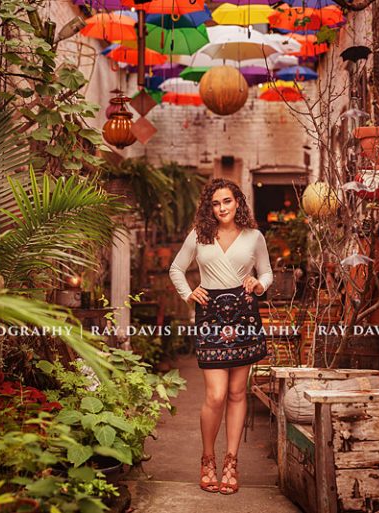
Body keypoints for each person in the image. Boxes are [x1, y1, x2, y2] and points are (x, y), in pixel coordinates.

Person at [169, 178, 273, 495]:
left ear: (237, 202)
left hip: (244, 314)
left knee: (238, 392)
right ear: (209, 208)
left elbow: (266, 272)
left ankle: (230, 461)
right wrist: (188, 293)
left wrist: (259, 284)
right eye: (215, 203)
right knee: (216, 395)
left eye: (226, 201)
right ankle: (207, 459)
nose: (222, 208)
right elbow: (176, 268)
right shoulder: (199, 236)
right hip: (210, 314)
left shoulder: (254, 237)